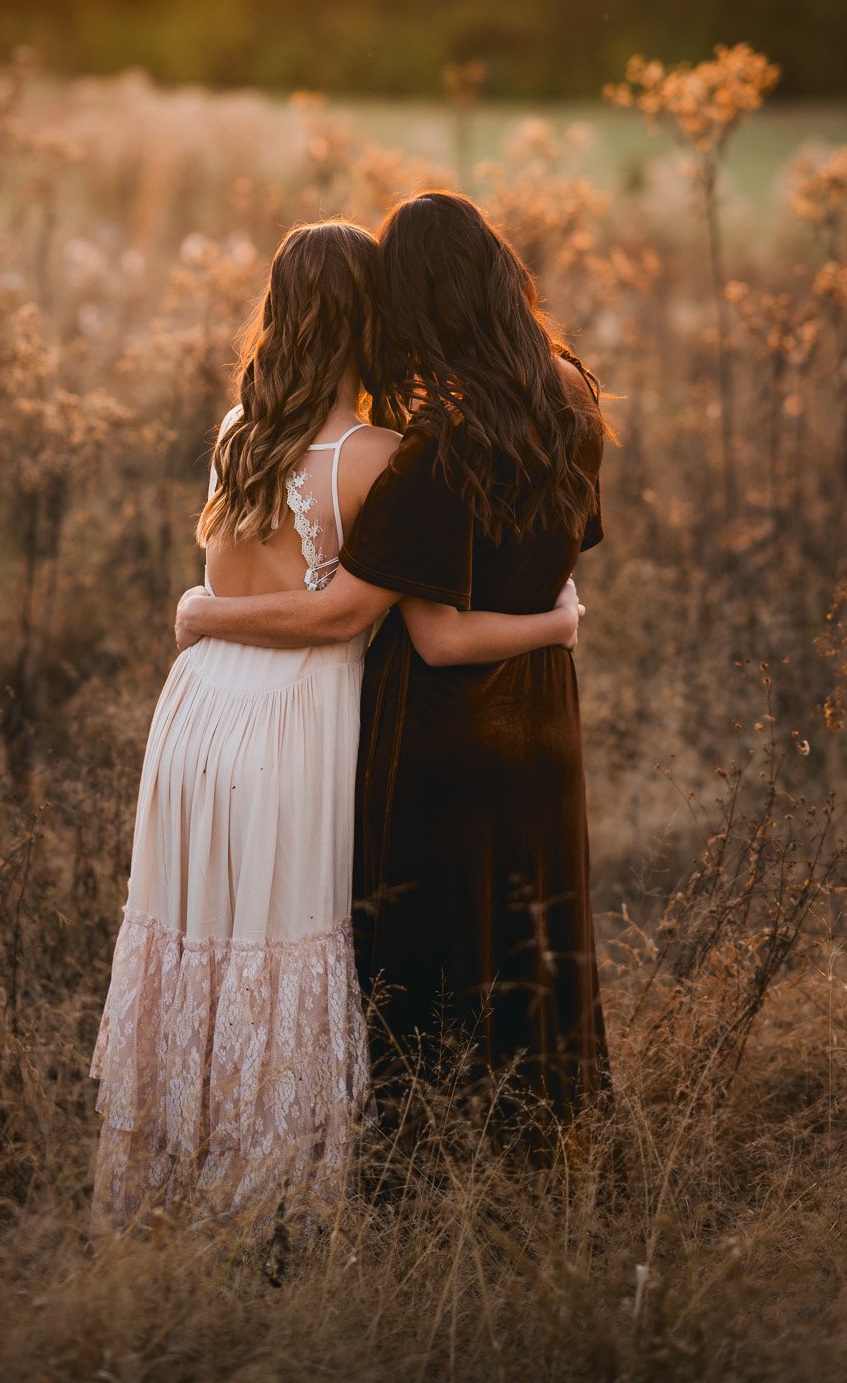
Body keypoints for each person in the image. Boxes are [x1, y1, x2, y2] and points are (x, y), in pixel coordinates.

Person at [92, 218, 579, 1232]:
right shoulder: (379, 458)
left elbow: (231, 580)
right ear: (371, 319)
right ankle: (271, 1202)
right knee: (278, 940)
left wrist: (200, 616)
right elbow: (347, 615)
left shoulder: (239, 430)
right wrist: (555, 618)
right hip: (293, 714)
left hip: (197, 715)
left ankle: (172, 1181)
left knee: (199, 943)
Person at [176, 191, 609, 1122]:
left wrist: (203, 613)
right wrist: (558, 625)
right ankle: (556, 1147)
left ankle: (426, 1162)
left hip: (438, 731)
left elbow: (434, 634)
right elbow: (562, 558)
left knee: (429, 959)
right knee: (542, 936)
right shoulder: (569, 395)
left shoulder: (434, 445)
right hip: (543, 716)